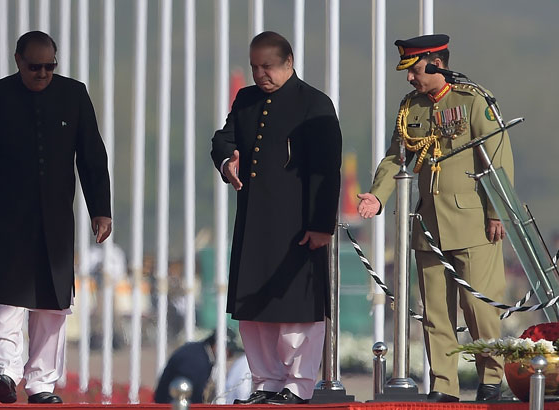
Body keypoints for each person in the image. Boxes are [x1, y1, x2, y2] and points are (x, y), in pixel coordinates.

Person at [357, 34, 513, 402]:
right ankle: (444, 385)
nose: (410, 78)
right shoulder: (410, 107)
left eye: (413, 70)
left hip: (474, 224)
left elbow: (497, 161)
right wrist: (378, 197)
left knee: (481, 308)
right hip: (428, 226)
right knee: (434, 313)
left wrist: (497, 213)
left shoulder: (474, 100)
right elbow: (396, 157)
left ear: (434, 63)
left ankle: (492, 381)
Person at [0, 31, 112, 404]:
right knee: (8, 298)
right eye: (34, 67)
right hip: (7, 216)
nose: (42, 73)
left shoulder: (74, 95)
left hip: (57, 219)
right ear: (18, 61)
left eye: (49, 66)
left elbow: (92, 157)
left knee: (52, 303)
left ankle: (42, 383)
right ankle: (5, 372)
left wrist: (101, 209)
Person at [210, 31, 342, 405]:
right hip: (254, 223)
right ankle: (266, 381)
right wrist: (226, 161)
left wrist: (321, 226)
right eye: (254, 67)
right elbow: (223, 138)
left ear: (288, 62)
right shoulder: (247, 99)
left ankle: (297, 385)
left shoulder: (314, 104)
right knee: (254, 310)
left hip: (297, 226)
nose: (260, 75)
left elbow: (326, 170)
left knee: (295, 313)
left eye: (267, 67)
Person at [154, 329, 241, 403]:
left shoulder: (200, 353)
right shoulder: (196, 359)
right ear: (217, 345)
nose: (230, 356)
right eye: (229, 351)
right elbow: (186, 392)